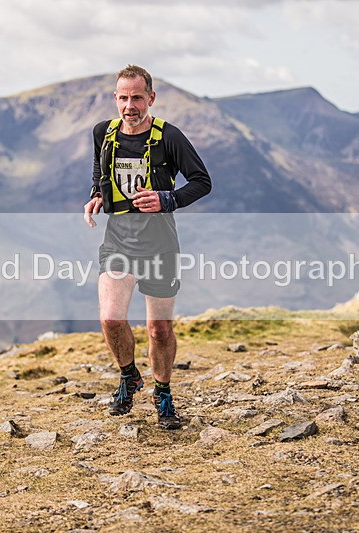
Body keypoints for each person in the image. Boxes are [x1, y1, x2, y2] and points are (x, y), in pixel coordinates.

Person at [83, 65, 212, 429]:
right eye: (123, 98)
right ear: (115, 99)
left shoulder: (170, 137)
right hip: (118, 242)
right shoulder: (103, 134)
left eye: (137, 97)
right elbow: (99, 170)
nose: (130, 105)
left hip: (160, 247)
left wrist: (167, 199)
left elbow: (202, 182)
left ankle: (163, 393)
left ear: (150, 98)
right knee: (111, 317)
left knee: (159, 330)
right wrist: (95, 194)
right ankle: (129, 377)